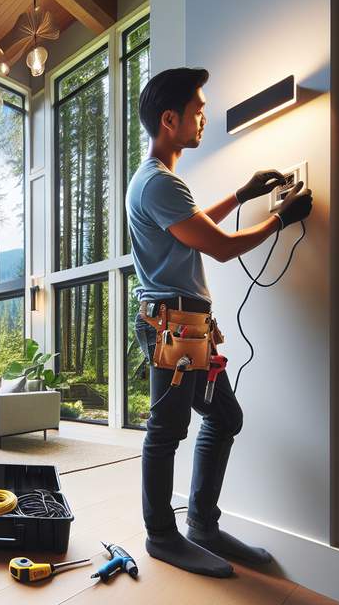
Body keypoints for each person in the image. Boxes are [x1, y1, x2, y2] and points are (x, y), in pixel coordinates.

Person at [126, 67, 313, 577]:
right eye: (197, 109)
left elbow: (192, 228)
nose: (203, 116)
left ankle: (202, 526)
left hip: (188, 325)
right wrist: (281, 217)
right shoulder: (158, 181)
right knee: (166, 431)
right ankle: (162, 534)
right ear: (170, 120)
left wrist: (243, 194)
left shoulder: (159, 183)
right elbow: (223, 247)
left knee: (224, 417)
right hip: (174, 326)